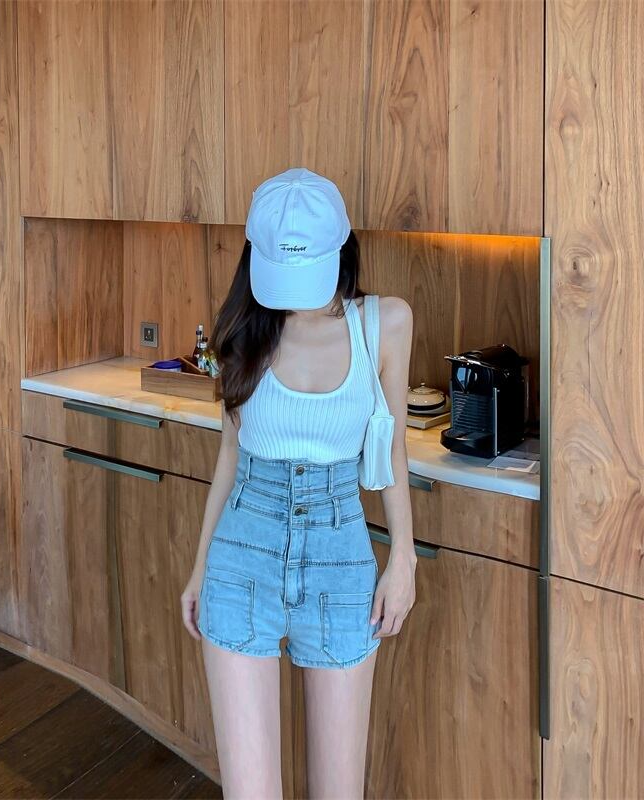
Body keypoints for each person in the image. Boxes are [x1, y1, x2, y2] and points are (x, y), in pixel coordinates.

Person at [180, 167, 417, 799]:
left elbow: (392, 447)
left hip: (341, 560)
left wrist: (404, 558)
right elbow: (229, 459)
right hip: (242, 554)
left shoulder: (385, 324)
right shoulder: (245, 329)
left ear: (340, 250)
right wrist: (201, 568)